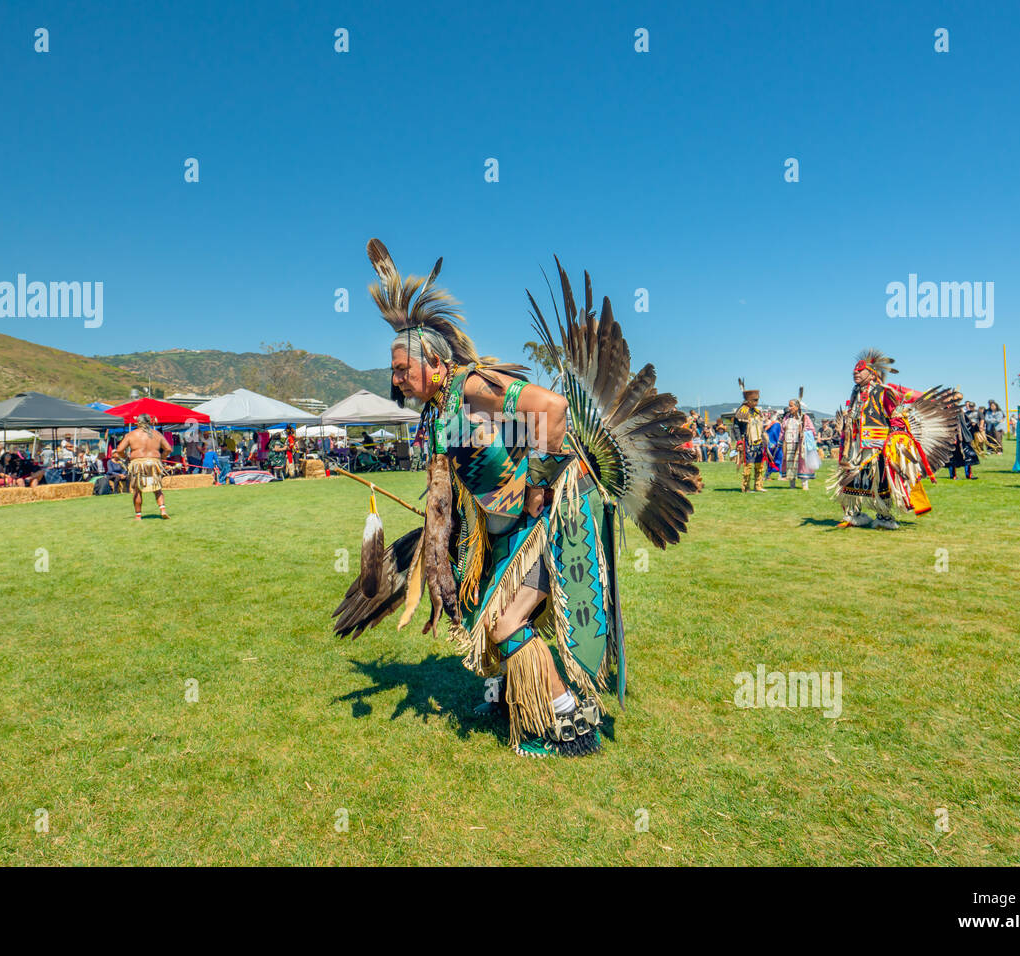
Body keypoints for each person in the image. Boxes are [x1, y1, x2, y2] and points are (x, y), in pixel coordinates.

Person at [334, 239, 695, 758]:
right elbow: (444, 491)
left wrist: (538, 487)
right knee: (487, 618)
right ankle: (512, 699)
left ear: (435, 364)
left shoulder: (474, 386)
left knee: (507, 624)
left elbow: (550, 408)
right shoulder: (438, 413)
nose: (395, 380)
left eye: (401, 370)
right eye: (393, 372)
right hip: (501, 535)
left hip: (546, 527)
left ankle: (571, 721)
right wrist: (436, 551)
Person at [830, 348, 959, 530]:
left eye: (860, 371)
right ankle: (854, 514)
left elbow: (895, 418)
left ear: (872, 374)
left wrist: (897, 440)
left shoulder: (883, 392)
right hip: (856, 447)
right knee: (853, 480)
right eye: (855, 371)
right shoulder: (855, 393)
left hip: (877, 447)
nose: (855, 373)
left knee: (880, 482)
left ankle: (884, 517)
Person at [114, 413, 172, 518]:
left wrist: (125, 458)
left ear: (137, 422)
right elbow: (168, 449)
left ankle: (138, 516)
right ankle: (162, 509)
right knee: (157, 488)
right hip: (154, 462)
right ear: (149, 422)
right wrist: (162, 457)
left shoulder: (131, 435)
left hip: (138, 463)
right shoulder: (157, 434)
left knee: (137, 490)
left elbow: (119, 450)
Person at [733, 381, 767, 492]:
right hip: (747, 441)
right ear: (748, 400)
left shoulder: (756, 411)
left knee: (759, 464)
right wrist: (739, 441)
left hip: (758, 441)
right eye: (755, 400)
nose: (757, 402)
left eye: (757, 400)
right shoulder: (742, 411)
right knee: (748, 464)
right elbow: (736, 427)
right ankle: (746, 487)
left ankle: (758, 485)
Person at [779, 394, 819, 490]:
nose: (789, 408)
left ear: (797, 407)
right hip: (789, 445)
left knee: (802, 464)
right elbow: (782, 430)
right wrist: (780, 442)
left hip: (801, 445)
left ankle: (804, 485)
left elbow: (812, 430)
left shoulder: (804, 418)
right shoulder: (787, 418)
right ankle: (792, 484)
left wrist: (804, 432)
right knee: (790, 463)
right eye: (789, 405)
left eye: (791, 405)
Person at [945, 390, 981, 479]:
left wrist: (973, 425)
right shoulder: (947, 408)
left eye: (960, 399)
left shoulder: (959, 408)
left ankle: (969, 475)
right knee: (953, 456)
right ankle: (953, 475)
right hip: (953, 436)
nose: (959, 401)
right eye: (957, 398)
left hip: (963, 436)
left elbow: (965, 421)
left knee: (968, 455)